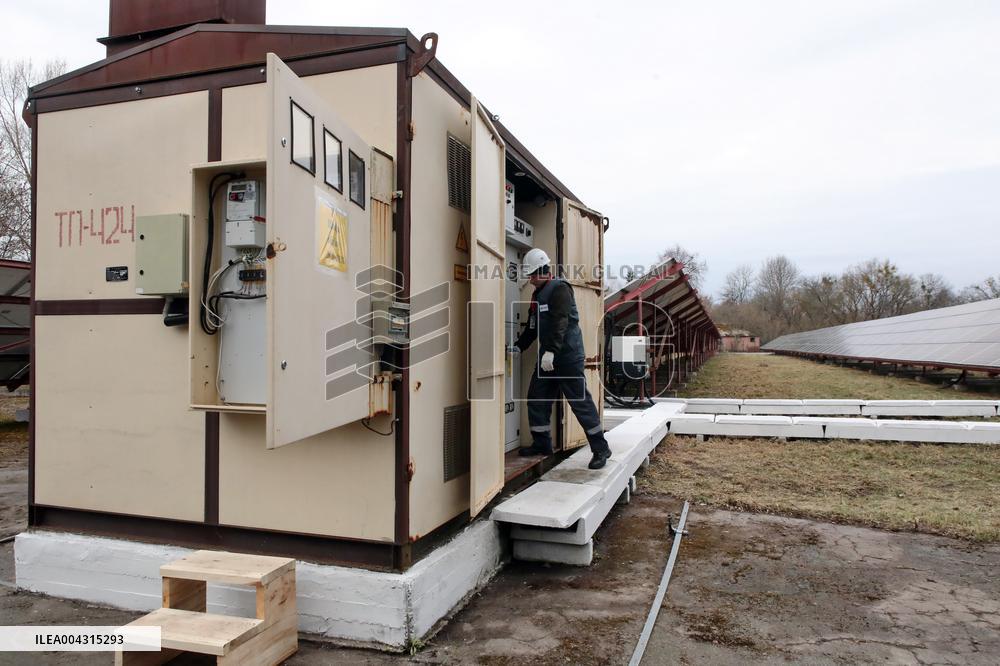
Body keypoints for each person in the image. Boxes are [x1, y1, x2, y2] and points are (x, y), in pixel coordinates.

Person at [512, 248, 613, 469]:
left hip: (566, 357)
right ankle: (542, 444)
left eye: (531, 275)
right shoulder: (537, 295)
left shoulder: (560, 289)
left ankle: (601, 449)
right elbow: (532, 327)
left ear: (541, 271)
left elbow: (560, 322)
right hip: (547, 358)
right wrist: (519, 347)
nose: (529, 279)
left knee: (580, 402)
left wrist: (551, 352)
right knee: (537, 397)